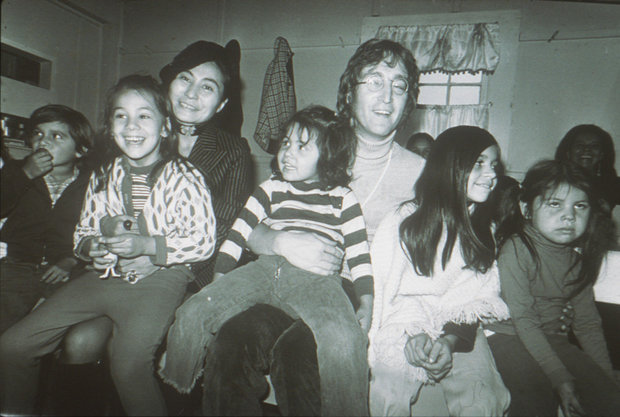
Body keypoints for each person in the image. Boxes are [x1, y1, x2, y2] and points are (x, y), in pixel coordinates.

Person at [193, 38, 427, 416]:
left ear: (408, 100)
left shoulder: (422, 175)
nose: (387, 97)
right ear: (349, 91)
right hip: (281, 278)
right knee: (231, 343)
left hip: (351, 294)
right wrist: (279, 240)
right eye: (374, 82)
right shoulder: (306, 147)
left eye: (399, 86)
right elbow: (249, 225)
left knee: (301, 353)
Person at [0, 74, 216, 416]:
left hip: (159, 282)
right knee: (12, 346)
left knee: (128, 366)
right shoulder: (103, 174)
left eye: (144, 115)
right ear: (110, 126)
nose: (131, 125)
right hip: (103, 277)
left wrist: (148, 246)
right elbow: (83, 231)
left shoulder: (186, 176)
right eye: (120, 115)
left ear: (164, 128)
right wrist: (91, 248)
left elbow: (203, 242)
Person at [160, 105, 373, 417]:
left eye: (303, 146)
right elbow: (238, 233)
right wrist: (221, 278)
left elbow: (359, 254)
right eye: (286, 142)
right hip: (263, 269)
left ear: (328, 154)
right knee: (195, 309)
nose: (288, 152)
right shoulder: (270, 188)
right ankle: (178, 375)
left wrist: (366, 302)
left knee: (344, 340)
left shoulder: (343, 197)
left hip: (316, 280)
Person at [58, 39, 254, 375]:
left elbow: (224, 224)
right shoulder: (130, 134)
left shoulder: (233, 150)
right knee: (80, 342)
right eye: (185, 79)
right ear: (167, 85)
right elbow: (85, 216)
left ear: (221, 104)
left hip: (190, 274)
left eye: (207, 87)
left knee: (164, 350)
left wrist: (155, 257)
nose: (192, 94)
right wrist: (98, 249)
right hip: (115, 269)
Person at [368, 125, 511, 416]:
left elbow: (475, 301)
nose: (492, 175)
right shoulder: (402, 221)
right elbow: (383, 293)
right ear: (450, 166)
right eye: (479, 164)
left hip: (457, 328)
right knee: (389, 391)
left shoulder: (485, 229)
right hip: (404, 324)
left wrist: (448, 341)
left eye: (494, 165)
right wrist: (411, 337)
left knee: (484, 399)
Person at [486, 159, 620, 416]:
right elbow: (523, 318)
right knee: (535, 400)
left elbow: (588, 324)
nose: (569, 216)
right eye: (555, 204)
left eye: (580, 206)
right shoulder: (517, 248)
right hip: (508, 335)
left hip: (551, 338)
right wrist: (559, 377)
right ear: (526, 209)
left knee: (609, 399)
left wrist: (605, 379)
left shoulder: (576, 262)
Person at [0, 104, 94, 334]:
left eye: (57, 136)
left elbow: (96, 230)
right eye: (38, 133)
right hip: (16, 266)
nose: (44, 141)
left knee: (70, 330)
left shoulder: (92, 185)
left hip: (65, 269)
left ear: (79, 150)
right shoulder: (16, 171)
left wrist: (71, 260)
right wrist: (26, 175)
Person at [555, 124, 620, 213]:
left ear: (602, 154)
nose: (587, 149)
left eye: (594, 146)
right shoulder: (552, 181)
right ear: (568, 152)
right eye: (579, 145)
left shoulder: (611, 184)